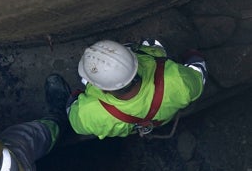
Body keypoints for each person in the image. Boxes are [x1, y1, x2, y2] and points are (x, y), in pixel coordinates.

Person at [61, 39, 207, 139]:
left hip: (129, 127)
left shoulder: (90, 114)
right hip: (163, 117)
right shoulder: (179, 81)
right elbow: (199, 77)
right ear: (135, 63)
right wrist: (194, 56)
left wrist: (75, 96)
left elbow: (75, 122)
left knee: (75, 100)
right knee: (151, 45)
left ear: (103, 90)